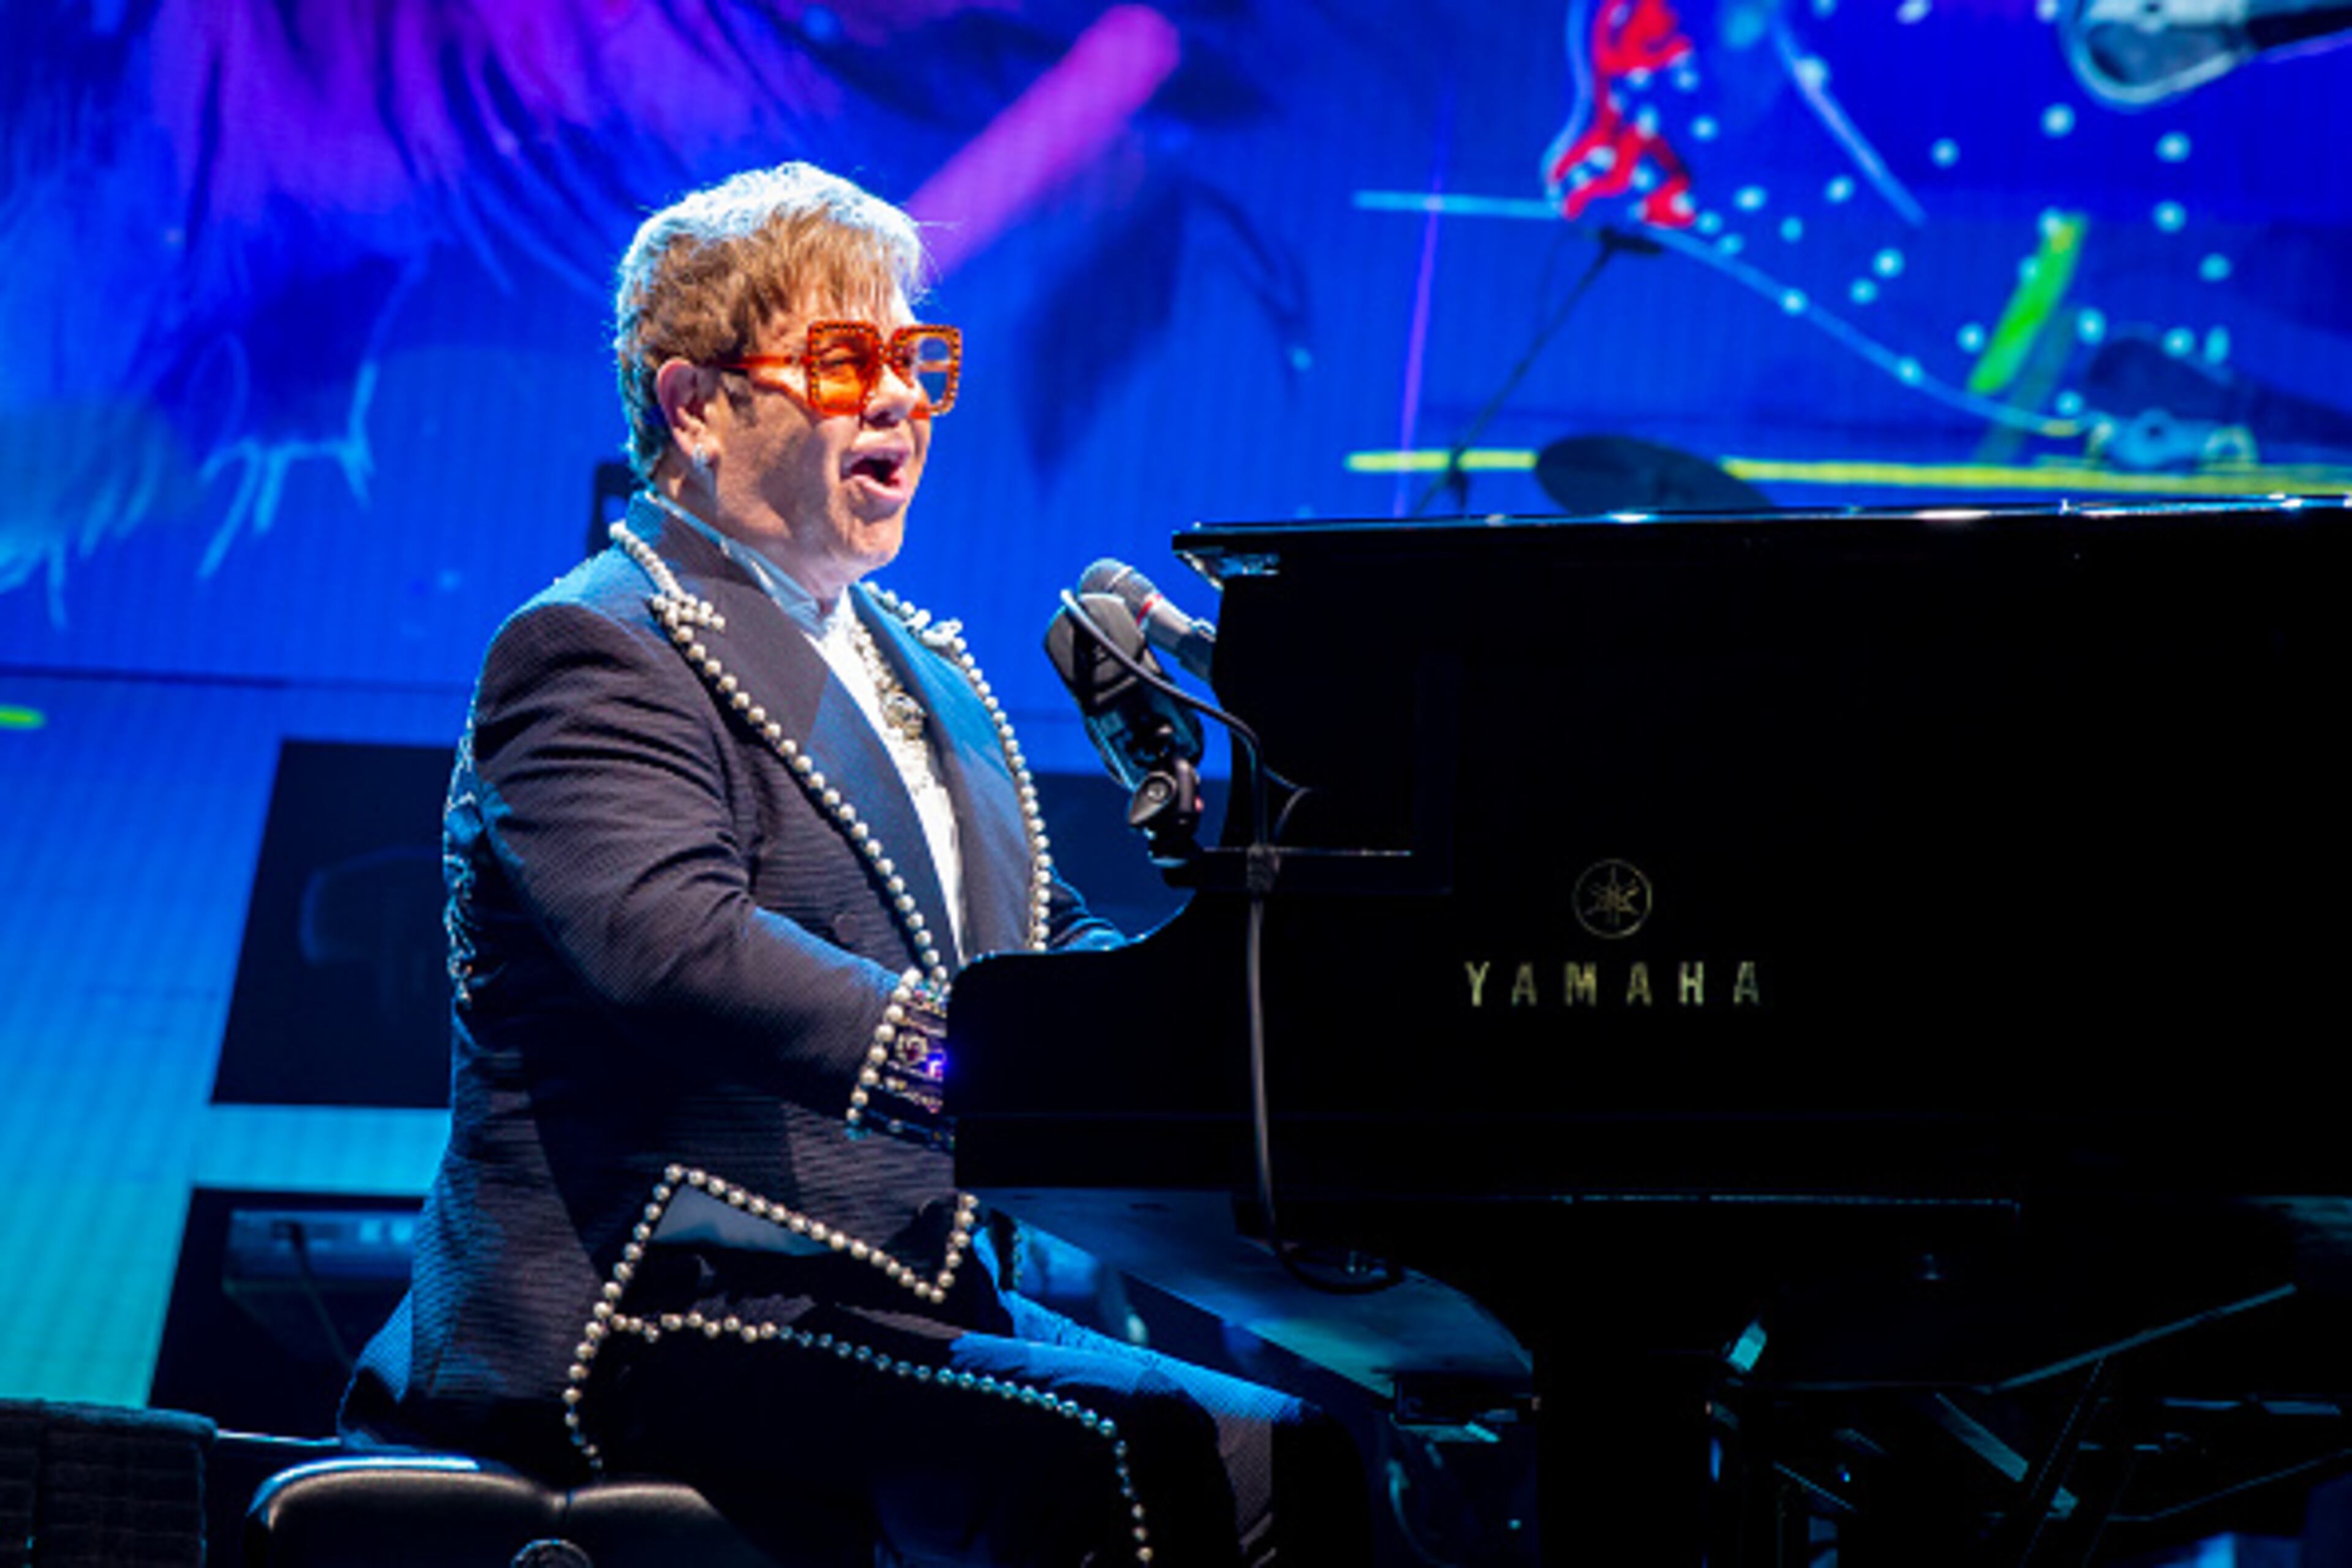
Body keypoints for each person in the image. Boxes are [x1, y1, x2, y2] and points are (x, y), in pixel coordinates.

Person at [339, 162, 1369, 1565]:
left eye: (912, 358)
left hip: (897, 1293)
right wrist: (989, 1069)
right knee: (1144, 1460)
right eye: (844, 358)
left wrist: (1203, 1030)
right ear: (697, 405)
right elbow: (676, 946)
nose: (897, 396)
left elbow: (1032, 953)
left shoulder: (932, 674)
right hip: (651, 1303)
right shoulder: (596, 644)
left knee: (1300, 1454)